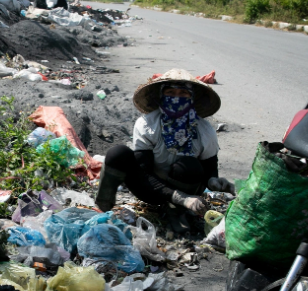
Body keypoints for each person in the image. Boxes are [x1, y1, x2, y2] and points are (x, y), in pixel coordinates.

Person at [95, 69, 233, 228]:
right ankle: (103, 207)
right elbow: (143, 172)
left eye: (183, 93)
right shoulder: (147, 125)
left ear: (192, 98)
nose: (177, 98)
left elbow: (210, 171)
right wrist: (179, 197)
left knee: (189, 166)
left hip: (187, 188)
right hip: (151, 190)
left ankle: (178, 212)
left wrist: (214, 182)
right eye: (171, 92)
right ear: (161, 96)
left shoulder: (204, 130)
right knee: (117, 154)